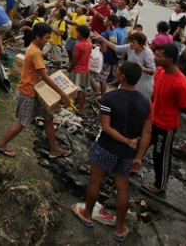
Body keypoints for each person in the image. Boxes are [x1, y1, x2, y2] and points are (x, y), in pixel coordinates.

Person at [71, 61, 152, 243]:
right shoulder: (146, 102)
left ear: (122, 77)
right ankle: (119, 228)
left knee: (95, 181)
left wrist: (125, 140)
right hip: (128, 154)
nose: (115, 71)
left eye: (117, 70)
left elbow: (106, 128)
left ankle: (87, 214)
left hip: (106, 147)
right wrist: (138, 156)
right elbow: (147, 132)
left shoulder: (110, 97)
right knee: (122, 187)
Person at [0, 22, 72, 158]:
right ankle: (1, 144)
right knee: (22, 122)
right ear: (37, 37)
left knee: (48, 117)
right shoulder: (35, 52)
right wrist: (63, 94)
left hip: (36, 91)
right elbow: (45, 76)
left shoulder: (34, 48)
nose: (48, 41)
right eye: (46, 38)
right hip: (28, 92)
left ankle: (54, 148)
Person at [144, 44, 186, 195]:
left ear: (170, 60)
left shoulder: (180, 83)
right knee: (141, 144)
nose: (155, 58)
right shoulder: (160, 72)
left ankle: (160, 184)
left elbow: (185, 107)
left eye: (159, 56)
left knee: (160, 155)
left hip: (166, 125)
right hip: (152, 119)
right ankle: (132, 167)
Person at [93, 31, 155, 99]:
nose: (131, 44)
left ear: (140, 44)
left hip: (143, 83)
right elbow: (116, 48)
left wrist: (142, 68)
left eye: (133, 42)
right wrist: (102, 38)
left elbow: (152, 71)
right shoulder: (129, 47)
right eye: (130, 41)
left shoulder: (147, 53)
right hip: (131, 81)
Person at [67, 25, 92, 116]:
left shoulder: (78, 45)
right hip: (86, 69)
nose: (76, 34)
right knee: (84, 89)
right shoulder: (89, 43)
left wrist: (70, 68)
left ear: (81, 34)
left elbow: (75, 59)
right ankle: (82, 107)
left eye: (77, 33)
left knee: (79, 90)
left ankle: (81, 109)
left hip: (78, 70)